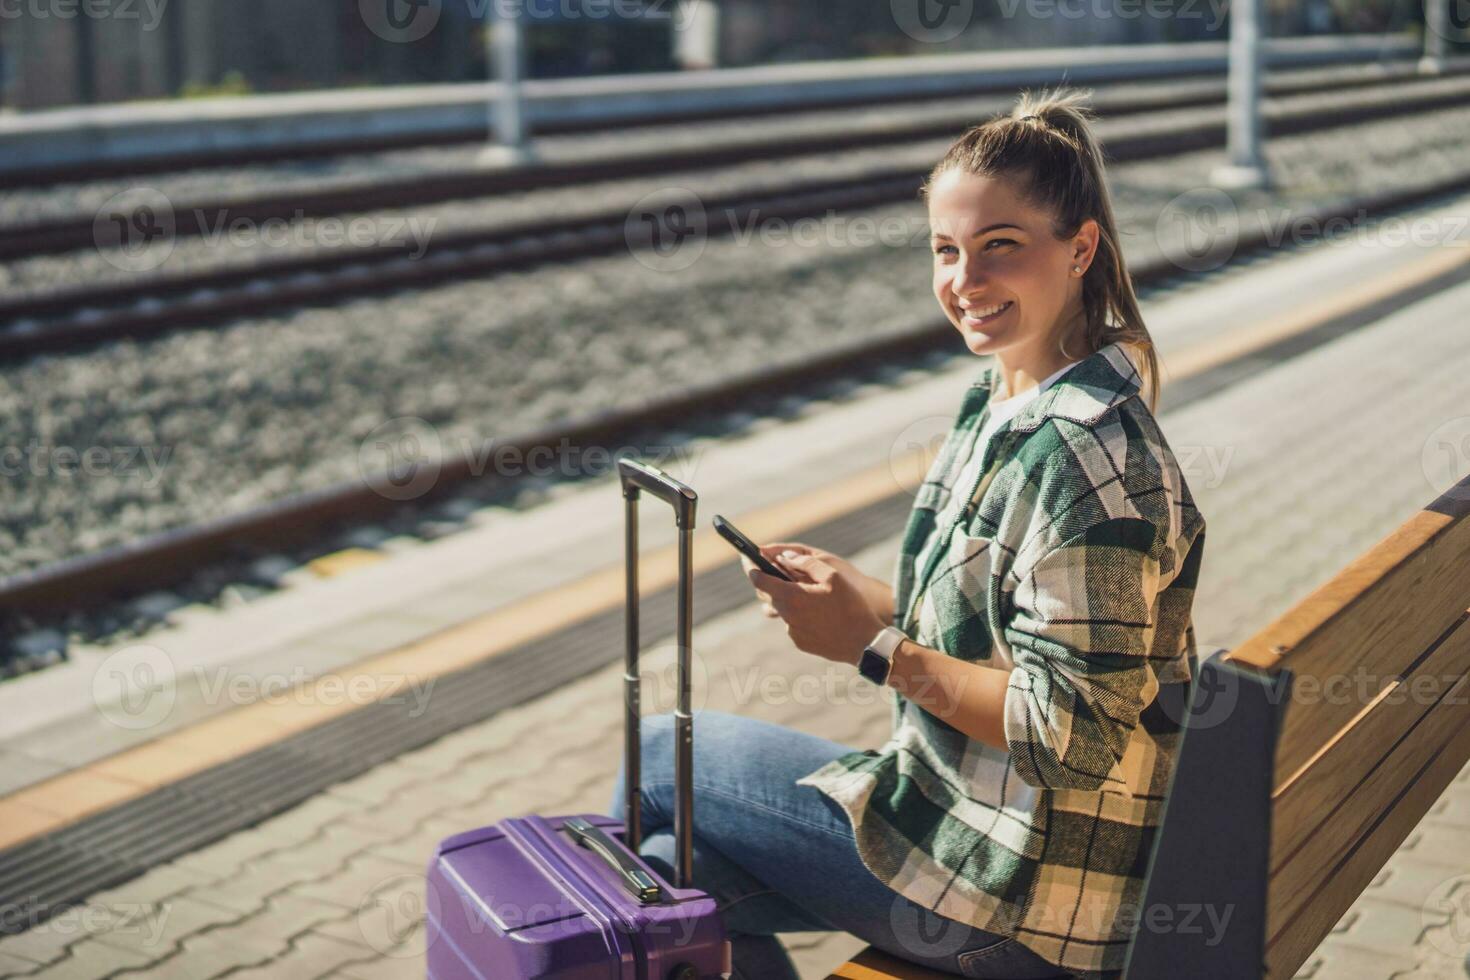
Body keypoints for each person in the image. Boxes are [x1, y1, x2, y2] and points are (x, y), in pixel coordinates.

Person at [608, 87, 1207, 980]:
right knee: (667, 875)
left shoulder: (1084, 460)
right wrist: (866, 603)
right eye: (945, 251)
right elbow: (1014, 635)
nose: (965, 282)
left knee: (660, 758)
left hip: (1031, 893)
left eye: (1000, 247)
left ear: (1080, 248)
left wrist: (875, 647)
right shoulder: (1008, 395)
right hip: (985, 829)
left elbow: (1071, 737)